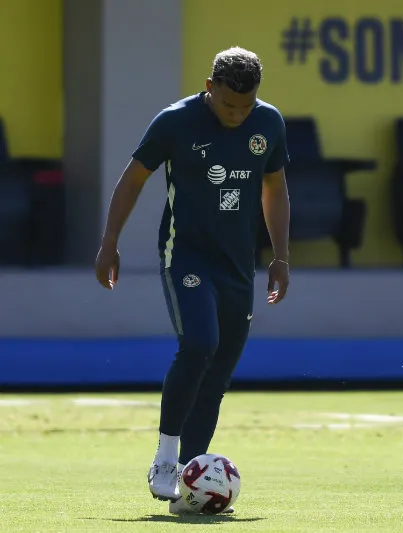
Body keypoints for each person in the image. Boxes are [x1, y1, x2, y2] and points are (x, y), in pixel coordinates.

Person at [94, 46, 291, 513]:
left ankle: (189, 479)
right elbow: (132, 179)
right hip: (185, 255)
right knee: (200, 343)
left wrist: (280, 256)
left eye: (245, 107)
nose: (237, 115)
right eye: (227, 105)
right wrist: (109, 242)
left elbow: (275, 188)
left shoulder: (269, 124)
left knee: (218, 372)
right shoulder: (174, 122)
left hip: (238, 264)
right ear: (210, 88)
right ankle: (165, 458)